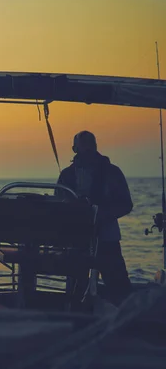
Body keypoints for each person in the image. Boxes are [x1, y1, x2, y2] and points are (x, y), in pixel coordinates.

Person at [57, 130, 133, 307]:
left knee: (119, 289)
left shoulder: (112, 173)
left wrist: (100, 216)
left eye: (88, 147)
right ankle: (76, 321)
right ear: (74, 149)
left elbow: (126, 204)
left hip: (107, 240)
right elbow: (59, 205)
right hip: (77, 240)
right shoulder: (67, 175)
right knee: (77, 289)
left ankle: (126, 319)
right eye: (83, 147)